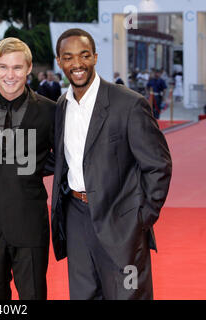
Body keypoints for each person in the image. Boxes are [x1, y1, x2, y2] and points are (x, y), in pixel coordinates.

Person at [48, 28, 172, 300]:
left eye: (84, 56)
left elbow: (158, 165)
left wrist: (140, 218)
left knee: (127, 295)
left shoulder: (128, 104)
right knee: (83, 295)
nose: (77, 64)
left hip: (121, 222)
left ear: (95, 57)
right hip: (76, 219)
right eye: (68, 57)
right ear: (59, 62)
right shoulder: (61, 106)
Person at [0, 37, 55, 300]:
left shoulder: (50, 110)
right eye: (4, 67)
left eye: (17, 68)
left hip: (29, 222)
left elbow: (65, 155)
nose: (10, 75)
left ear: (29, 69)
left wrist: (33, 166)